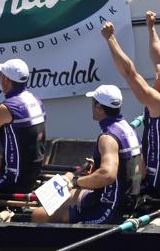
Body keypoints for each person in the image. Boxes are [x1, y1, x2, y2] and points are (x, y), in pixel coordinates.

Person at [32, 84, 142, 224]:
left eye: (93, 103)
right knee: (65, 197)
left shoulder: (107, 138)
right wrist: (97, 167)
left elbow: (107, 175)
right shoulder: (129, 129)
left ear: (99, 108)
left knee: (38, 214)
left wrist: (76, 181)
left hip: (108, 210)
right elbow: (140, 170)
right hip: (122, 202)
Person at [102, 18, 160, 198]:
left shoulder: (156, 102)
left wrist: (110, 39)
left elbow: (129, 74)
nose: (156, 72)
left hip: (156, 186)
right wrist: (151, 29)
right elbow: (157, 56)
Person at [0, 58, 45, 194]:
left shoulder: (7, 108)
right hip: (31, 175)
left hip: (12, 180)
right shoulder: (36, 101)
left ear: (5, 80)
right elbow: (2, 120)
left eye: (0, 76)